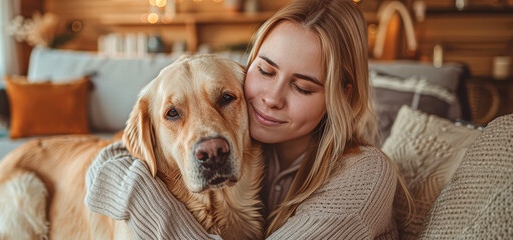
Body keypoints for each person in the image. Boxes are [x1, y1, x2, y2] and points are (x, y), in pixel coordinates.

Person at [84, 0, 413, 239]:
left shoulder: (366, 176)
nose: (271, 98)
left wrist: (144, 201)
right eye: (266, 71)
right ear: (248, 67)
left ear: (342, 96)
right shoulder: (255, 141)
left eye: (302, 87)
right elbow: (109, 158)